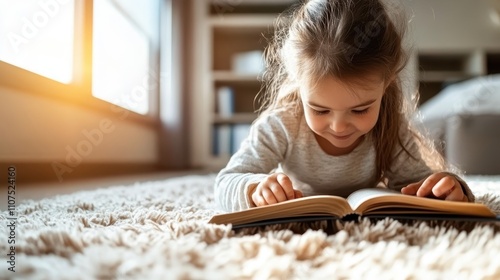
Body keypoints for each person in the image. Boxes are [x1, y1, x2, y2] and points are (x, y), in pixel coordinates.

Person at [214, 0, 474, 212]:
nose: (338, 126)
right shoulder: (281, 125)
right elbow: (226, 181)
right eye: (319, 109)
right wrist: (253, 188)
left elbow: (420, 183)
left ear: (387, 83)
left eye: (360, 110)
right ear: (298, 83)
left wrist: (449, 189)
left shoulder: (389, 126)